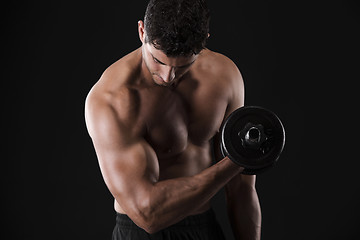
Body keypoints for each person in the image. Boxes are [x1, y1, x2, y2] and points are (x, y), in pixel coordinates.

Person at [85, 0, 261, 239]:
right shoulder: (112, 98)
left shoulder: (225, 76)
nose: (168, 76)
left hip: (203, 227)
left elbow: (241, 189)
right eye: (158, 61)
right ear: (141, 31)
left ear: (204, 41)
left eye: (183, 66)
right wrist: (235, 161)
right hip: (141, 232)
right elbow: (148, 214)